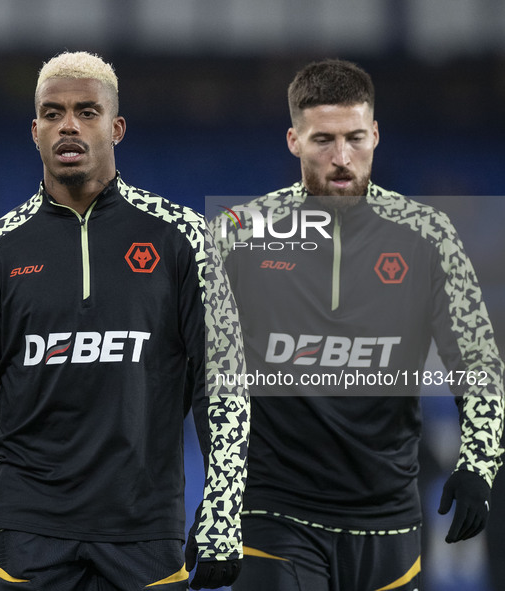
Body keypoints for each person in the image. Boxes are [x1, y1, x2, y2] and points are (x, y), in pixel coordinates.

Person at [0, 51, 249, 591]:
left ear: (116, 126)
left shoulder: (185, 239)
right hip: (27, 533)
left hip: (145, 532)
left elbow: (224, 385)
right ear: (35, 131)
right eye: (52, 113)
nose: (69, 125)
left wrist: (223, 509)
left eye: (87, 111)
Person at [210, 59, 504, 590]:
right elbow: (209, 378)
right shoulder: (237, 235)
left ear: (376, 135)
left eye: (355, 138)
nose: (342, 158)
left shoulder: (429, 236)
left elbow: (479, 365)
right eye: (323, 139)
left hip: (388, 520)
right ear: (293, 140)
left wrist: (478, 466)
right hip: (275, 512)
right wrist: (220, 507)